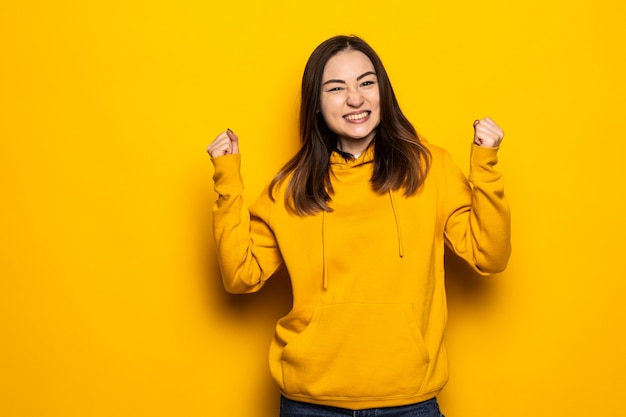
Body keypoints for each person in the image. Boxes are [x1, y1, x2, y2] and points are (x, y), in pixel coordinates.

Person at [206, 35, 511, 417]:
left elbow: (490, 253)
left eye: (366, 83)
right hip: (309, 404)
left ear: (383, 91)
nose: (355, 99)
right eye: (336, 88)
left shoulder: (430, 169)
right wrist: (227, 182)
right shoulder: (291, 188)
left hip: (409, 403)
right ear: (316, 105)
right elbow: (240, 275)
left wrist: (485, 168)